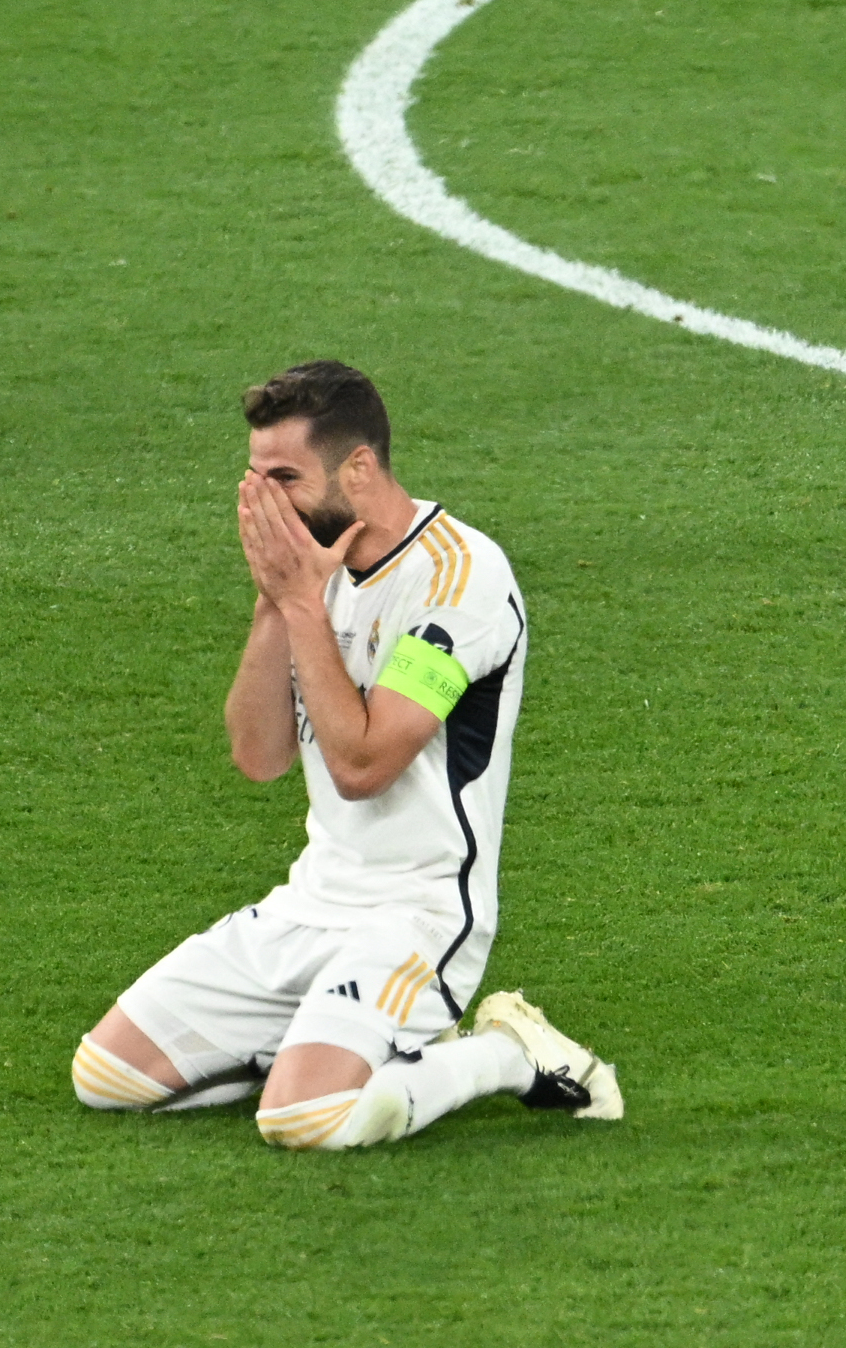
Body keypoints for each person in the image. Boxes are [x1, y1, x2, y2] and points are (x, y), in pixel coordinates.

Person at [71, 361, 623, 1149]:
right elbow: (259, 757)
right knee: (107, 1078)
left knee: (304, 1121)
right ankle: (321, 1041)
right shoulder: (313, 569)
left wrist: (300, 601)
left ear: (358, 468)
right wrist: (275, 601)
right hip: (311, 903)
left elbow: (363, 769)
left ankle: (506, 1054)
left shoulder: (459, 581)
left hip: (418, 917)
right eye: (254, 479)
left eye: (284, 478)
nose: (264, 502)